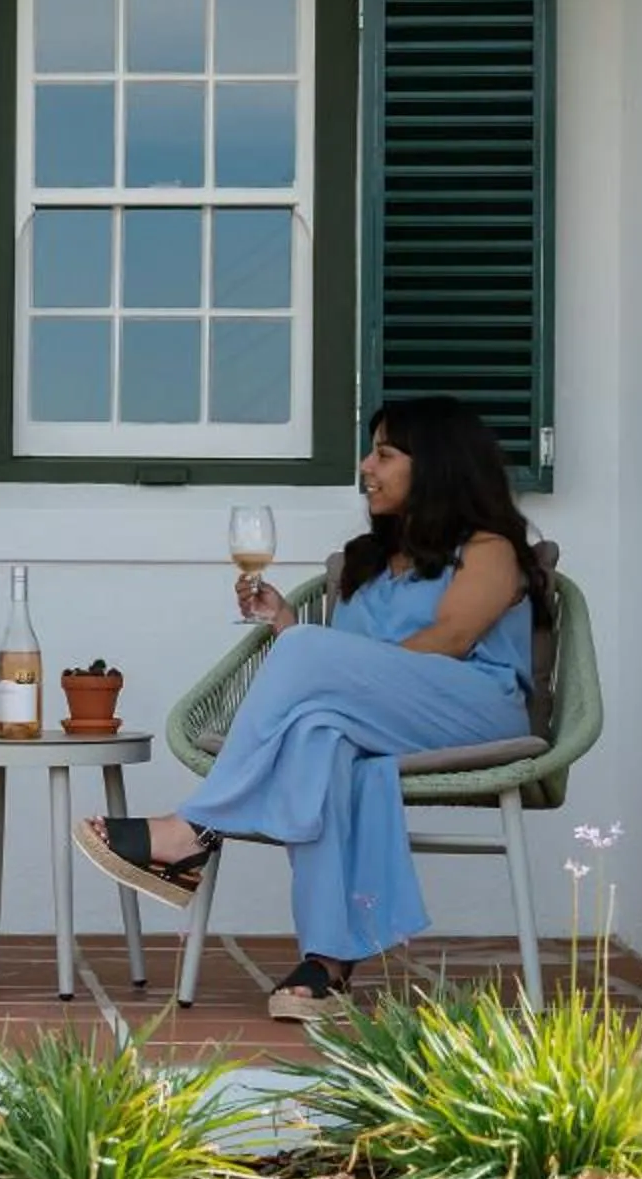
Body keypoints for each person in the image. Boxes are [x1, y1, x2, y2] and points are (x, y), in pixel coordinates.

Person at [74, 395, 548, 1019]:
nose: (365, 466)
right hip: (379, 717)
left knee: (312, 681)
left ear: (436, 465)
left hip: (472, 710)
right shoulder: (371, 561)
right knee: (317, 735)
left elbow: (451, 640)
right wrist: (286, 623)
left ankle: (197, 827)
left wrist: (317, 655)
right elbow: (350, 661)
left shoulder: (489, 547)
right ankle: (326, 965)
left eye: (384, 453)